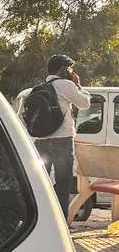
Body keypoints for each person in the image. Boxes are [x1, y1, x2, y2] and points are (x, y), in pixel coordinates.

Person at [32, 54, 91, 219]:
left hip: (41, 141)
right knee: (63, 184)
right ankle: (61, 224)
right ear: (63, 70)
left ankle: (41, 221)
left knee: (41, 184)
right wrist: (78, 84)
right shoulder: (66, 85)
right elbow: (85, 104)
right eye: (70, 68)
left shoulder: (39, 88)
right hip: (62, 141)